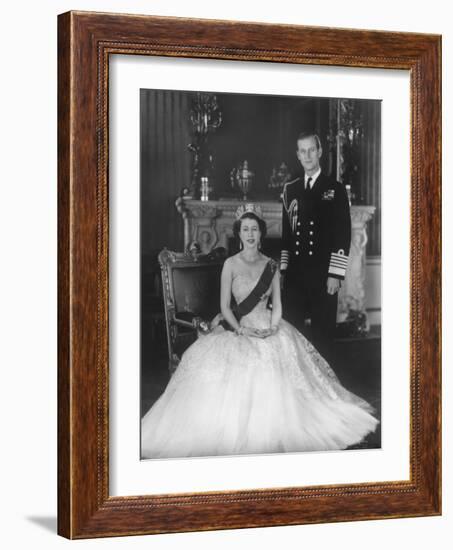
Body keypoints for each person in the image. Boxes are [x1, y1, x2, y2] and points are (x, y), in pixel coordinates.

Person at [141, 204, 377, 459]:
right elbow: (223, 306)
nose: (250, 234)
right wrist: (241, 329)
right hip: (237, 327)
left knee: (279, 355)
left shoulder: (271, 265)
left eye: (254, 229)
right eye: (245, 229)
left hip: (267, 324)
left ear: (261, 233)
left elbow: (277, 305)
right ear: (239, 233)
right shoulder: (230, 264)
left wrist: (274, 327)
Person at [280, 132, 351, 363]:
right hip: (296, 277)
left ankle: (324, 388)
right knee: (292, 335)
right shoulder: (290, 189)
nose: (308, 155)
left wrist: (335, 274)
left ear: (319, 152)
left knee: (323, 338)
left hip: (323, 276)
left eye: (312, 150)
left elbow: (343, 234)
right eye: (303, 151)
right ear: (298, 155)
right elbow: (286, 235)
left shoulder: (335, 189)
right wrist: (283, 271)